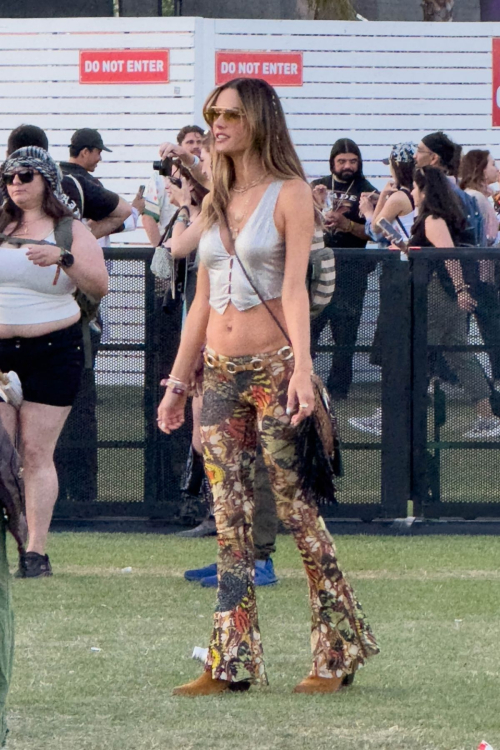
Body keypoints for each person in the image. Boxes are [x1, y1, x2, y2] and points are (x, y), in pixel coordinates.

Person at [157, 77, 379, 696]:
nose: (216, 124)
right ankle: (229, 663)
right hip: (220, 375)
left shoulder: (290, 195)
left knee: (299, 514)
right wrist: (178, 382)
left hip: (278, 369)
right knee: (229, 520)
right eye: (211, 113)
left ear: (257, 121)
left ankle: (337, 655)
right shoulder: (214, 199)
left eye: (228, 114)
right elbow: (201, 299)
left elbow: (294, 292)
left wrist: (304, 369)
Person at [0, 146, 108, 577]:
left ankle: (35, 551)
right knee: (2, 454)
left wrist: (62, 258)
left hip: (53, 350)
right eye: (10, 176)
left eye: (26, 175)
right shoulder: (1, 222)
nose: (16, 183)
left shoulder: (69, 228)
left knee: (35, 453)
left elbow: (98, 285)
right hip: (2, 353)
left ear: (46, 179)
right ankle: (12, 536)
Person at [409, 166, 500, 438]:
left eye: (415, 188)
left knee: (418, 354)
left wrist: (460, 289)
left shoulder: (433, 220)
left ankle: (399, 414)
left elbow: (449, 256)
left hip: (438, 293)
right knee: (461, 355)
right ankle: (488, 417)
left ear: (424, 190)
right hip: (448, 294)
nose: (412, 193)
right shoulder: (444, 218)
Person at [350, 143, 416, 436]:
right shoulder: (419, 193)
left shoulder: (401, 195)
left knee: (392, 347)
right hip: (407, 274)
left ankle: (386, 414)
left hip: (398, 276)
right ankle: (392, 411)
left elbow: (377, 229)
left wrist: (371, 207)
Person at [310, 138, 378, 400]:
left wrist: (347, 225)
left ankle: (338, 392)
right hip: (317, 270)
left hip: (351, 272)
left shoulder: (368, 191)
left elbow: (376, 234)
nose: (347, 165)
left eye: (352, 161)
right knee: (309, 330)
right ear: (332, 163)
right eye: (342, 161)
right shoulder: (318, 187)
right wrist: (316, 207)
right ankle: (306, 384)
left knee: (345, 336)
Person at [459, 149, 500, 391]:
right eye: (493, 164)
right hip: (481, 274)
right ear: (480, 170)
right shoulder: (479, 198)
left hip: (469, 273)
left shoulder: (469, 194)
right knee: (492, 331)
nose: (496, 169)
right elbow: (490, 236)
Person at [142, 125, 205, 248]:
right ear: (179, 147)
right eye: (190, 142)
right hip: (172, 242)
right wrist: (160, 250)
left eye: (199, 142)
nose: (196, 146)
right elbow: (148, 217)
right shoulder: (160, 177)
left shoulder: (210, 173)